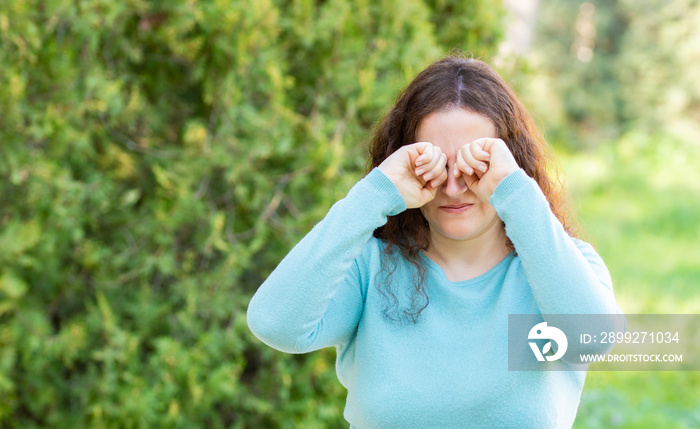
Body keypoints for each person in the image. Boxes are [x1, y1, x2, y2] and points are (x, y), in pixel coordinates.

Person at [247, 55, 623, 428]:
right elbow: (275, 323)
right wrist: (376, 193)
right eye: (436, 166)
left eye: (474, 166)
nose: (454, 187)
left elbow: (592, 340)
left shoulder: (557, 266)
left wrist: (516, 194)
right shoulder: (370, 267)